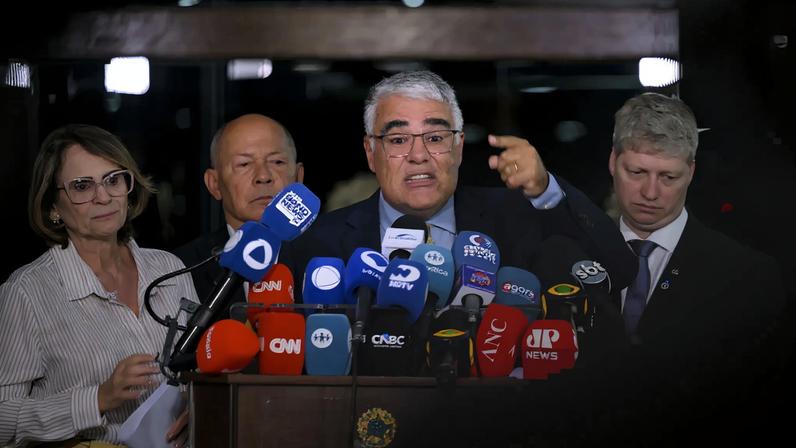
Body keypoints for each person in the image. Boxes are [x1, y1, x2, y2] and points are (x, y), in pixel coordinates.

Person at [284, 70, 636, 302]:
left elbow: (618, 269)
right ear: (370, 153)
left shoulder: (514, 219)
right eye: (398, 140)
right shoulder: (320, 243)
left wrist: (546, 190)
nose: (418, 155)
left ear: (459, 147)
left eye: (436, 137)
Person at [600, 92, 787, 443]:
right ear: (613, 161)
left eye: (668, 177)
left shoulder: (746, 276)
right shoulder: (570, 255)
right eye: (637, 172)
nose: (650, 192)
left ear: (691, 172)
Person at [0, 124, 197, 447]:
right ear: (53, 207)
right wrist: (98, 399)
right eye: (82, 186)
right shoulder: (27, 292)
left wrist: (196, 407)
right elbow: (3, 420)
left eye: (113, 180)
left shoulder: (170, 269)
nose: (103, 197)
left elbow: (200, 370)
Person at [173, 114, 304, 304]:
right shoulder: (182, 267)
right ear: (214, 184)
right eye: (244, 164)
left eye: (277, 162)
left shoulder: (331, 255)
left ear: (299, 177)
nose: (263, 176)